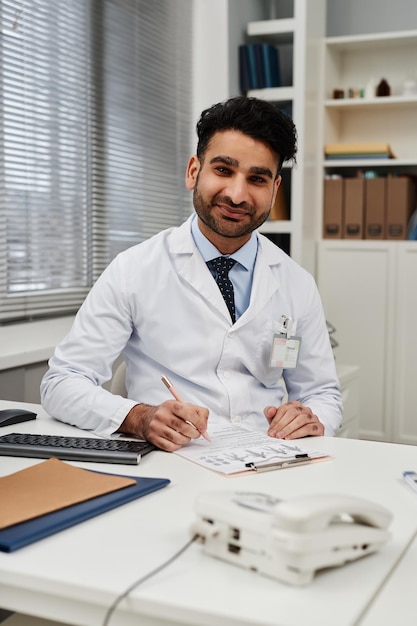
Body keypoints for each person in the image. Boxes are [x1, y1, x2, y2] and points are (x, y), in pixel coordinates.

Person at [41, 96, 343, 451]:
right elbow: (62, 382)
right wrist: (139, 416)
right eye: (223, 170)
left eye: (257, 178)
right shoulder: (134, 269)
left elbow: (322, 393)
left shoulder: (296, 283)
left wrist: (312, 418)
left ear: (275, 190)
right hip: (173, 457)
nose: (236, 193)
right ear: (193, 172)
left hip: (270, 457)